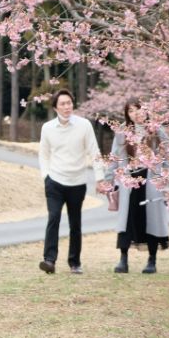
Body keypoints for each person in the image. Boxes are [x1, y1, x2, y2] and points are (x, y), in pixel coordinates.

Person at [38, 89, 103, 274]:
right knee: (54, 218)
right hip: (55, 181)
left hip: (77, 182)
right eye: (63, 104)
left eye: (69, 103)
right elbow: (43, 154)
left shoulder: (84, 125)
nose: (67, 107)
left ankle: (74, 262)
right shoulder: (48, 128)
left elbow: (94, 152)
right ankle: (49, 260)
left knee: (75, 223)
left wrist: (99, 178)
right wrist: (46, 176)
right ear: (55, 107)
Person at [103, 99, 169, 274]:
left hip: (151, 180)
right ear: (127, 115)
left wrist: (165, 178)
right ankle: (123, 259)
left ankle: (152, 260)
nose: (135, 114)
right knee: (126, 220)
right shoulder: (122, 133)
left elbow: (167, 155)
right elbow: (114, 157)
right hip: (129, 180)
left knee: (151, 220)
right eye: (131, 111)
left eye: (138, 110)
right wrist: (108, 179)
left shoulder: (156, 131)